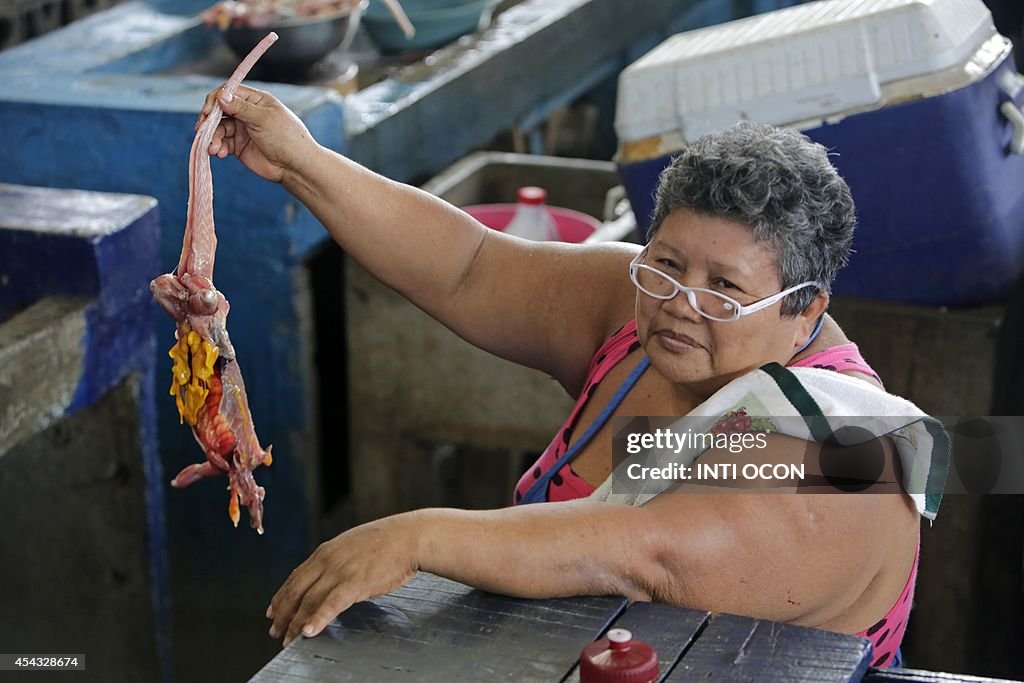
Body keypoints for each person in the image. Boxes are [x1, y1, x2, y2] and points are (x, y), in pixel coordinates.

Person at [196, 86, 936, 668]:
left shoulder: (843, 450)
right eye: (667, 264)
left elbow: (647, 552)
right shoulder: (641, 306)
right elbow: (469, 267)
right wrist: (298, 158)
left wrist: (418, 537)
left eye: (725, 291)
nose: (681, 305)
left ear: (806, 312)